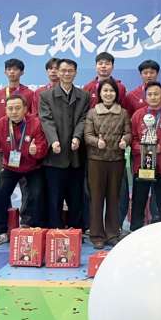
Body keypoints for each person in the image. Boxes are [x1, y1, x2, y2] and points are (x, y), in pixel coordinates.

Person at [0, 94, 48, 246]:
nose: (14, 112)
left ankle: (35, 230)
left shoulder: (35, 123)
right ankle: (0, 232)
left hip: (33, 166)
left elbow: (42, 147)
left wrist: (36, 151)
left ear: (25, 109)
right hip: (10, 167)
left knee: (37, 194)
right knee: (0, 194)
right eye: (10, 108)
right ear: (6, 110)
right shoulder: (1, 124)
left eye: (18, 108)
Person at [39, 58, 90, 229]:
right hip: (54, 156)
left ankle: (76, 231)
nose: (67, 74)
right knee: (54, 197)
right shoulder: (46, 96)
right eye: (63, 70)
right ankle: (55, 230)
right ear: (58, 72)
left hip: (76, 155)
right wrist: (53, 140)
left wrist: (77, 137)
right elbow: (46, 120)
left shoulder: (84, 96)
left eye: (70, 71)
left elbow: (83, 119)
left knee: (76, 196)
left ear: (75, 73)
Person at [84, 78, 132, 249]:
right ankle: (97, 235)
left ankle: (112, 233)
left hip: (116, 160)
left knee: (114, 198)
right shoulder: (92, 112)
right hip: (96, 160)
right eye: (105, 91)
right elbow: (87, 135)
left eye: (111, 91)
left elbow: (129, 133)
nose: (108, 94)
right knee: (96, 199)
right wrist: (96, 142)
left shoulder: (123, 113)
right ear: (100, 93)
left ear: (116, 94)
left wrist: (125, 141)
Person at [0, 58, 36, 226]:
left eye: (16, 69)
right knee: (3, 188)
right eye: (9, 69)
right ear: (5, 72)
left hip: (24, 148)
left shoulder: (29, 94)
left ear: (22, 72)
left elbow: (33, 118)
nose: (12, 72)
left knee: (26, 187)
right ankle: (7, 221)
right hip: (4, 148)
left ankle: (26, 220)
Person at [129, 81, 161, 231]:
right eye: (150, 94)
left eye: (156, 94)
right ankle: (135, 230)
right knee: (139, 199)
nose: (153, 97)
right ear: (145, 97)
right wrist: (143, 148)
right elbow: (132, 138)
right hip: (142, 165)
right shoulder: (138, 115)